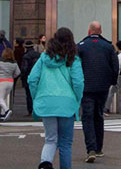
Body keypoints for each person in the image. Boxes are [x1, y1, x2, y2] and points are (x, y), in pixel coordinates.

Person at [30, 28, 86, 169]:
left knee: (50, 140)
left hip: (46, 101)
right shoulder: (73, 59)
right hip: (66, 103)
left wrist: (36, 97)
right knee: (65, 143)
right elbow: (78, 82)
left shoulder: (43, 58)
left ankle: (45, 164)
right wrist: (77, 99)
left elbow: (32, 79)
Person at [78, 21, 120, 162]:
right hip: (102, 87)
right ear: (100, 31)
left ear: (89, 31)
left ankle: (90, 148)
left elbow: (76, 67)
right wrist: (112, 81)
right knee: (98, 115)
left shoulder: (81, 46)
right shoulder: (108, 47)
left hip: (86, 87)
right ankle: (98, 148)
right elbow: (115, 67)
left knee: (87, 116)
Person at [0, 48, 22, 120]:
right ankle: (2, 114)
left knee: (0, 98)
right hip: (10, 81)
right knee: (5, 97)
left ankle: (6, 110)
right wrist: (12, 76)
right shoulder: (14, 63)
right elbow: (18, 73)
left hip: (1, 80)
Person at [22, 38, 43, 119]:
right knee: (38, 94)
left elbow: (24, 68)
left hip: (29, 77)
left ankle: (30, 111)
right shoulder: (38, 55)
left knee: (29, 95)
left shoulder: (26, 56)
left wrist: (23, 76)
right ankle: (39, 110)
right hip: (39, 77)